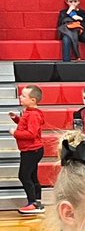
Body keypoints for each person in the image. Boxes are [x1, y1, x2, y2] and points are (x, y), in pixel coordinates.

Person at [10, 85, 45, 215]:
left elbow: (31, 134)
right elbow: (26, 126)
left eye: (24, 96)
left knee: (24, 176)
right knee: (32, 175)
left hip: (31, 151)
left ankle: (33, 203)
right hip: (32, 150)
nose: (20, 97)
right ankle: (37, 201)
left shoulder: (33, 115)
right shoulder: (29, 112)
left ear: (33, 100)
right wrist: (17, 119)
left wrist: (15, 133)